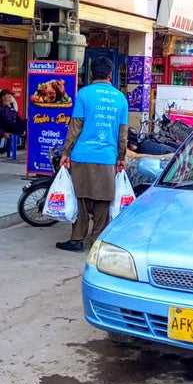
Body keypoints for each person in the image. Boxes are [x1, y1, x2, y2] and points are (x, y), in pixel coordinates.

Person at [56, 55, 129, 253]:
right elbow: (122, 134)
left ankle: (77, 239)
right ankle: (97, 241)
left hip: (82, 155)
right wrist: (121, 158)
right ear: (110, 75)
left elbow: (75, 127)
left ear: (91, 74)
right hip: (107, 157)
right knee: (103, 200)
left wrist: (66, 152)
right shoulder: (121, 98)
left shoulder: (84, 94)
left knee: (81, 197)